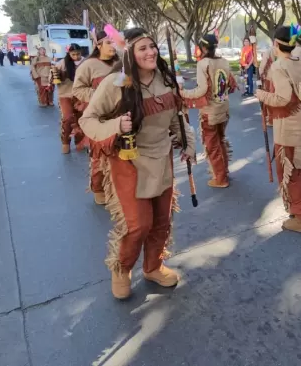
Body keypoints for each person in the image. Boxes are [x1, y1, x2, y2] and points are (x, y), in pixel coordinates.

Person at [79, 27, 196, 300]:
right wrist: (116, 125)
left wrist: (188, 144)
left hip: (162, 161)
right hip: (128, 163)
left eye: (152, 46)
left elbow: (177, 120)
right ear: (129, 52)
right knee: (138, 225)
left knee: (161, 221)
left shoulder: (166, 82)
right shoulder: (115, 83)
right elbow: (88, 121)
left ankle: (153, 266)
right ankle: (122, 269)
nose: (151, 52)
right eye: (142, 48)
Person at [255, 24, 301, 234]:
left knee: (289, 172)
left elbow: (282, 98)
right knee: (298, 167)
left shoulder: (279, 66)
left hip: (289, 130)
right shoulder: (300, 61)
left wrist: (261, 95)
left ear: (276, 44)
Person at [73, 29, 122, 205]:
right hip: (99, 118)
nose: (113, 46)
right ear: (98, 45)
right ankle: (99, 189)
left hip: (120, 118)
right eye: (109, 42)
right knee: (99, 156)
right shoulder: (88, 65)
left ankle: (119, 189)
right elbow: (77, 89)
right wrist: (99, 94)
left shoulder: (121, 63)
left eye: (114, 42)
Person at [181, 34, 237, 188]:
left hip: (210, 112)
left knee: (212, 145)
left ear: (203, 48)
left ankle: (220, 178)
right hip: (224, 109)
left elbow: (201, 91)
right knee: (220, 140)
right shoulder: (224, 61)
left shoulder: (203, 64)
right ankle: (223, 172)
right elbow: (232, 85)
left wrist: (183, 94)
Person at [55, 44, 87, 154]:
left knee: (82, 119)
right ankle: (65, 141)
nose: (76, 56)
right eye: (73, 54)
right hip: (65, 95)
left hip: (81, 95)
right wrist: (58, 76)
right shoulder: (61, 64)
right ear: (69, 54)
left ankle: (80, 141)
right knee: (68, 118)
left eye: (78, 54)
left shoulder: (86, 63)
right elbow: (53, 78)